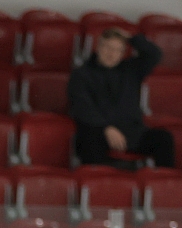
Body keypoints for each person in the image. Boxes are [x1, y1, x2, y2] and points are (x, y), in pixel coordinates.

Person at [69, 26, 171, 170]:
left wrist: (131, 38)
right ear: (98, 47)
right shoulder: (81, 74)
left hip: (131, 132)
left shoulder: (131, 70)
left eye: (118, 50)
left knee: (163, 138)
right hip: (99, 131)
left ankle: (163, 187)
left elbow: (154, 54)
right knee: (89, 138)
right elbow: (82, 107)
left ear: (123, 53)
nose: (112, 54)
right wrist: (106, 128)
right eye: (108, 47)